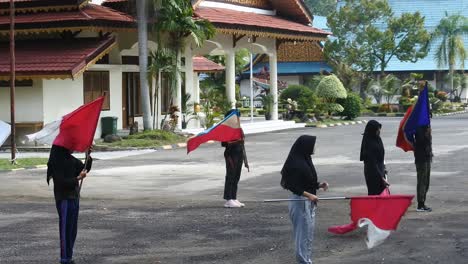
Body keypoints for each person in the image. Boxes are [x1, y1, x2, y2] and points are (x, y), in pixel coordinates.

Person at [280, 135, 329, 264]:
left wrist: (318, 185)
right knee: (302, 236)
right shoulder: (295, 163)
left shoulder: (305, 159)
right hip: (300, 202)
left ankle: (307, 260)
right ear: (305, 146)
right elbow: (291, 185)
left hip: (308, 202)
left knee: (308, 234)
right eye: (313, 145)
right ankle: (303, 261)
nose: (314, 147)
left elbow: (306, 181)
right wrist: (308, 195)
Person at [47, 145, 93, 264]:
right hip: (64, 199)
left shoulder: (71, 160)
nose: (73, 147)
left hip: (74, 197)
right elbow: (61, 182)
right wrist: (78, 178)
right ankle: (65, 259)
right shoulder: (56, 162)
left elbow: (84, 168)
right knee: (65, 230)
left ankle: (69, 256)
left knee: (72, 229)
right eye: (70, 144)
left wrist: (88, 156)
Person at [222, 109, 248, 208]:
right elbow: (224, 143)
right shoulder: (226, 128)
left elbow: (242, 139)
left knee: (236, 176)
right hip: (231, 155)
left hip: (239, 153)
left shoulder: (238, 128)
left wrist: (241, 139)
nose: (238, 118)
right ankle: (228, 199)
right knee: (230, 175)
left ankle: (234, 197)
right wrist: (237, 141)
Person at [360, 120, 389, 195]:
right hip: (372, 173)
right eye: (377, 129)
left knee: (382, 195)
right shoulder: (368, 142)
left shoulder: (377, 139)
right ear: (372, 130)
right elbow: (372, 163)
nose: (379, 131)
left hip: (380, 170)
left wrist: (384, 167)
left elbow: (381, 155)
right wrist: (381, 178)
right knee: (374, 195)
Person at [414, 125, 433, 212]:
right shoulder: (419, 128)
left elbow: (429, 143)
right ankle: (420, 204)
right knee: (422, 181)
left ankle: (423, 202)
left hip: (427, 157)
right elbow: (421, 142)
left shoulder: (426, 126)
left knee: (427, 182)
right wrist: (427, 133)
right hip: (421, 159)